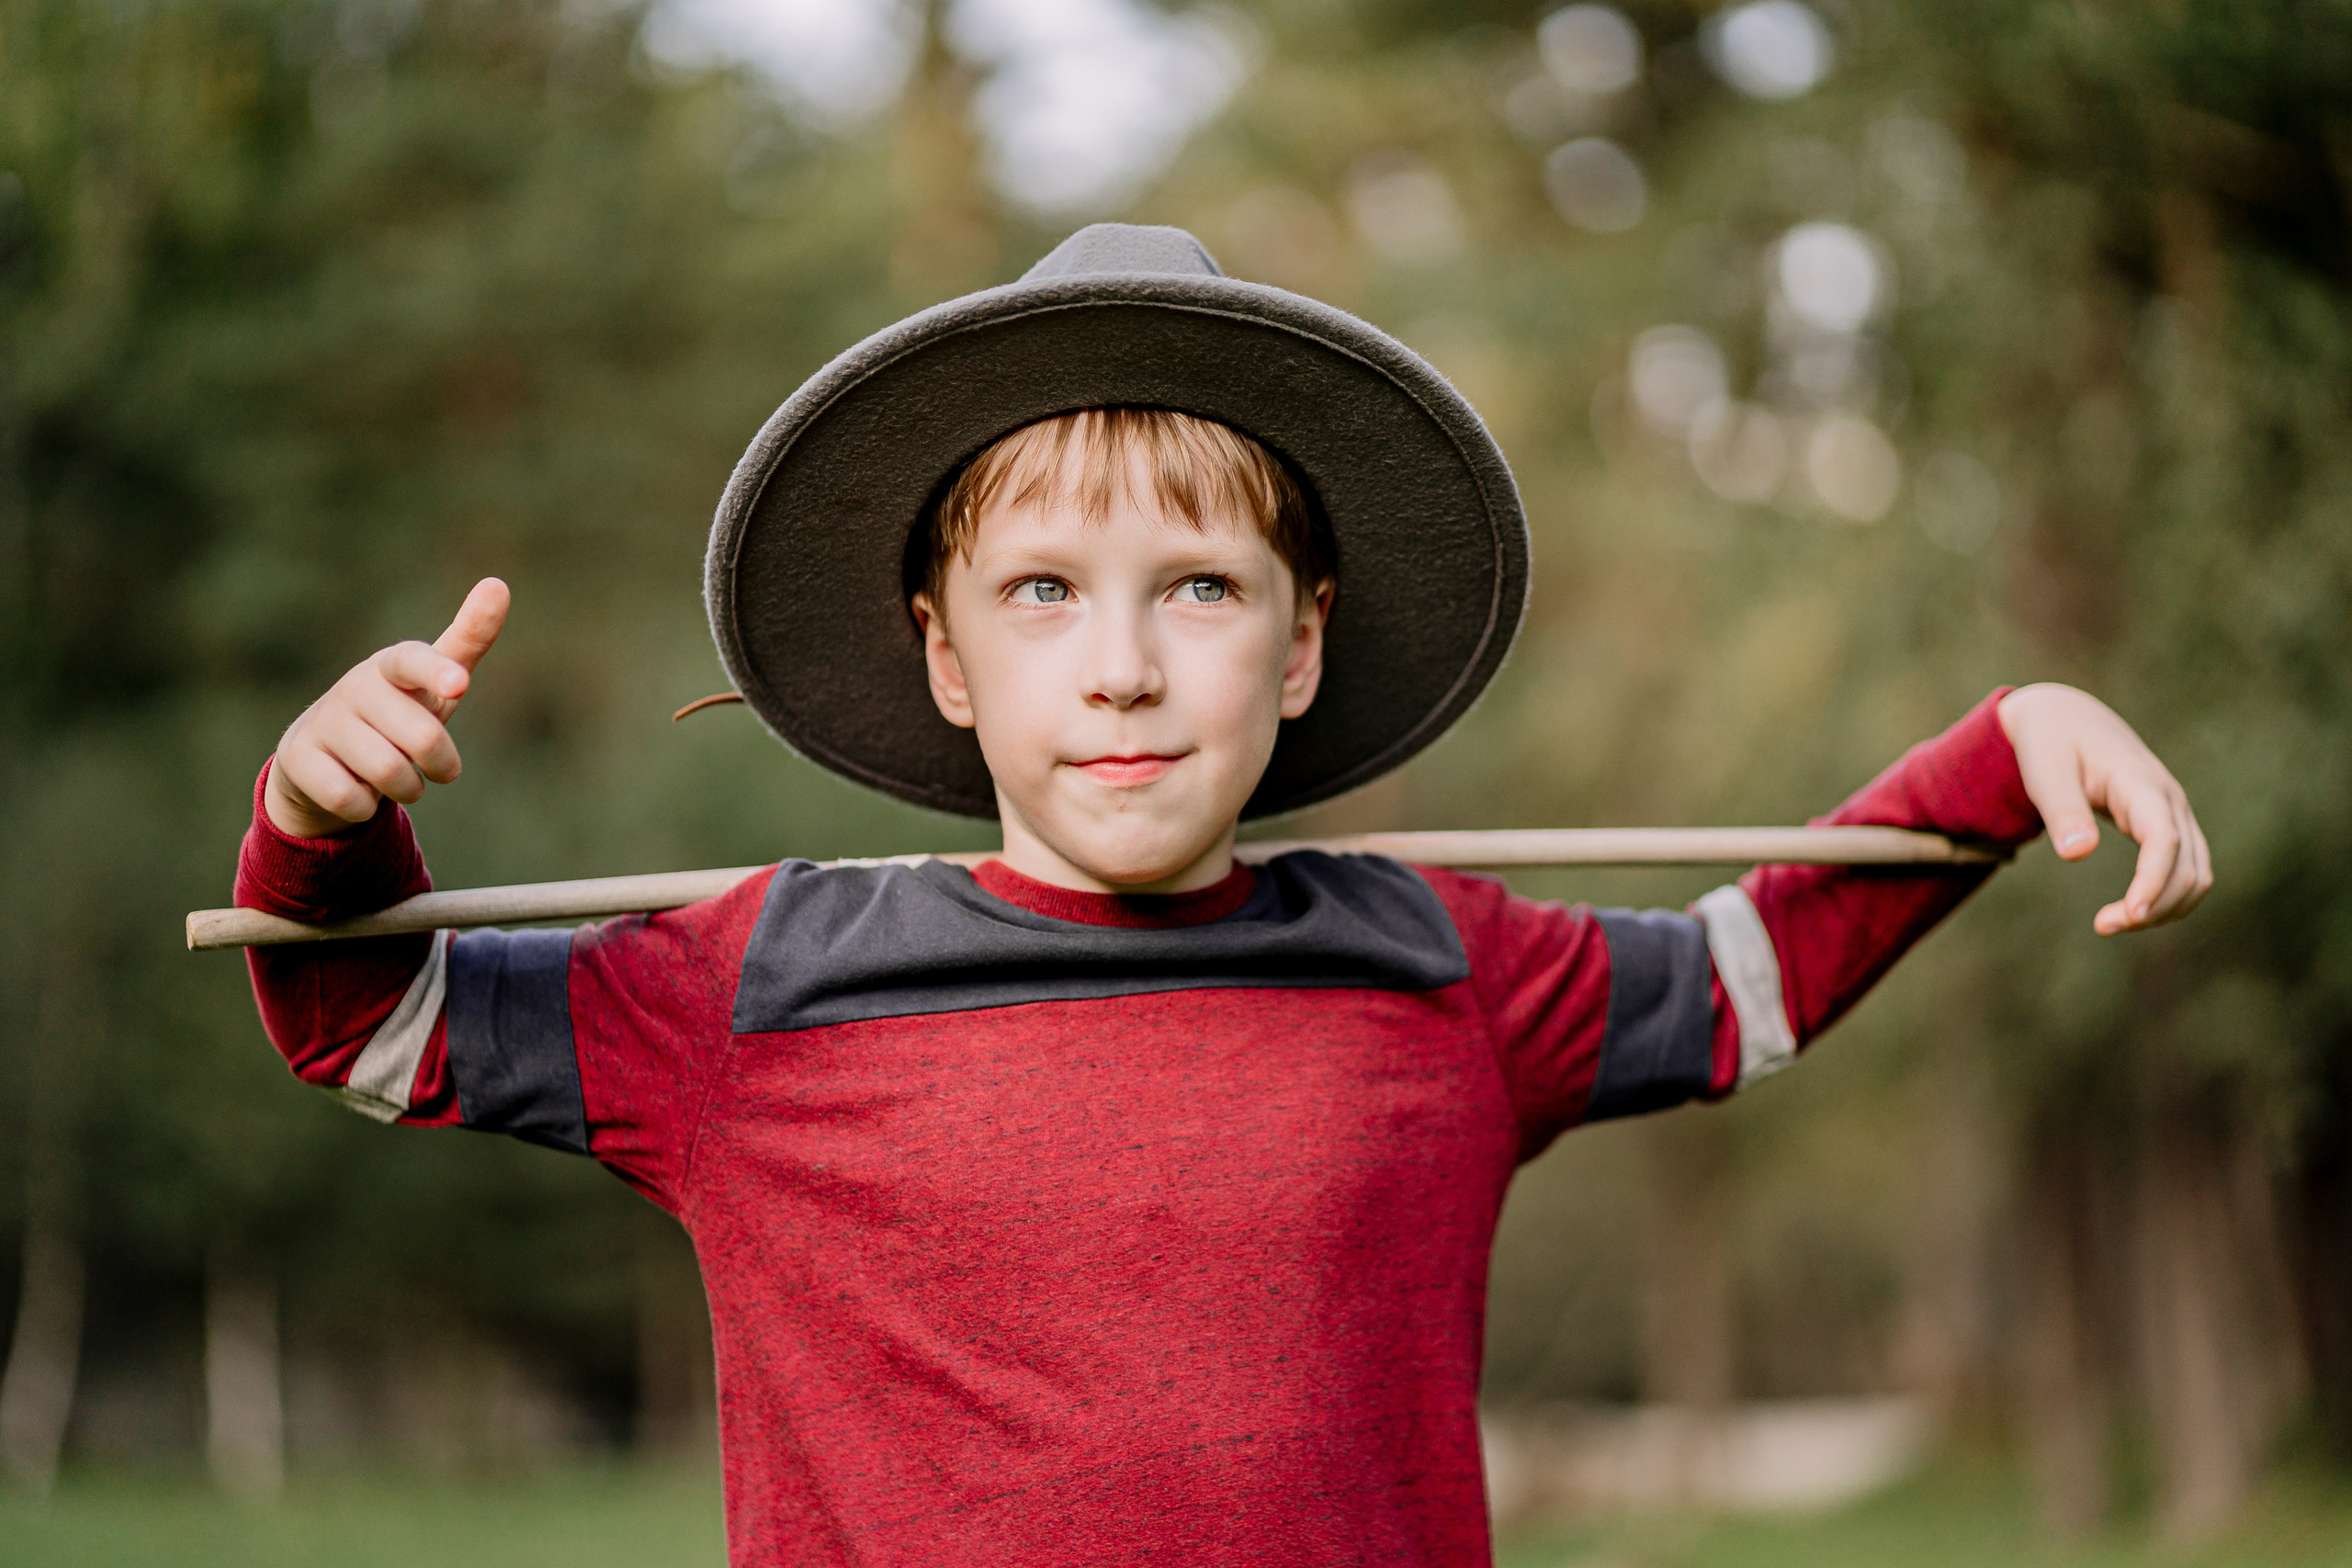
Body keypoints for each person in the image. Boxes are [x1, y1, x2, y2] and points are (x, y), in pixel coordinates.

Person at [232, 225, 2210, 1564]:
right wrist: (322, 822)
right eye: (1041, 594)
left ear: (1295, 645)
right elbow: (359, 1016)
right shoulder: (755, 982)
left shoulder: (1432, 960)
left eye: (1195, 587)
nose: (1119, 665)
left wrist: (1996, 743)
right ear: (944, 658)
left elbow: (1741, 976)